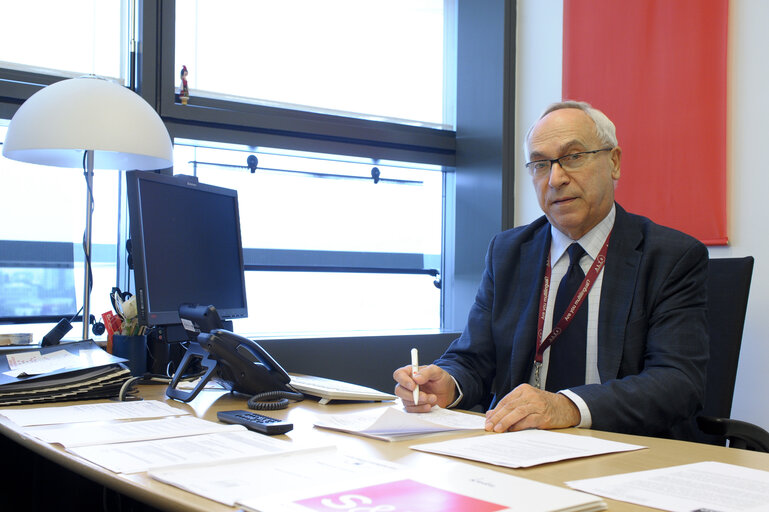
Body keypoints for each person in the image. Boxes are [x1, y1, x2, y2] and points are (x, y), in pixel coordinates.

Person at [393, 100, 709, 440]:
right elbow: (473, 359)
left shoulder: (670, 257)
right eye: (541, 165)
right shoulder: (509, 252)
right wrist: (447, 384)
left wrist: (567, 407)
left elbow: (678, 381)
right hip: (521, 447)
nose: (556, 179)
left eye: (573, 157)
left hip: (624, 447)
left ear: (613, 162)